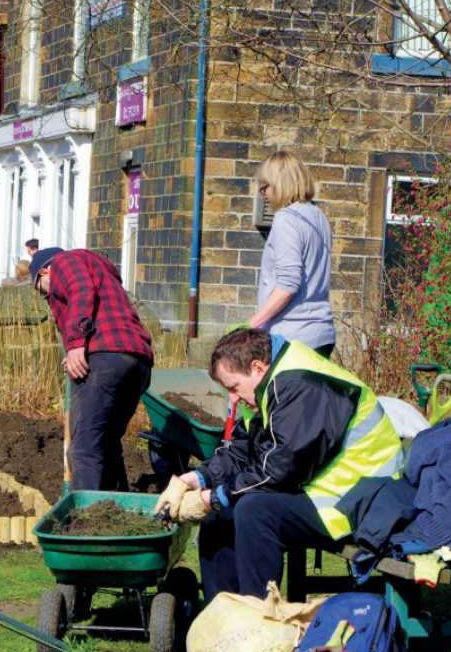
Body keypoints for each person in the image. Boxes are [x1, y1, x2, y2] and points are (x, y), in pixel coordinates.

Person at [153, 328, 403, 603]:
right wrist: (195, 479)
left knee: (254, 510)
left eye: (233, 388)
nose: (232, 399)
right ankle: (222, 616)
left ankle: (259, 617)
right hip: (324, 487)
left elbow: (279, 471)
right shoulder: (272, 383)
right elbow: (244, 449)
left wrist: (212, 497)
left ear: (257, 368)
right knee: (219, 516)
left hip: (362, 499)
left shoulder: (299, 386)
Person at [30, 247, 153, 491]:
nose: (46, 295)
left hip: (106, 358)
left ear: (44, 271)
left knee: (85, 445)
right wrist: (75, 351)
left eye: (41, 289)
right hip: (137, 361)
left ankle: (84, 513)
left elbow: (80, 289)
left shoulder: (64, 261)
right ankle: (116, 507)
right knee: (105, 441)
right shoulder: (100, 272)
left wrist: (76, 343)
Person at [249, 149, 335, 358]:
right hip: (322, 335)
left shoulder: (286, 218)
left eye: (264, 187)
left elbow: (288, 284)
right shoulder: (318, 216)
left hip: (293, 337)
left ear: (279, 183)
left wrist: (252, 325)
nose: (264, 195)